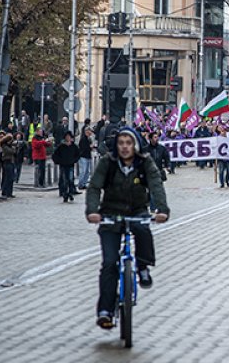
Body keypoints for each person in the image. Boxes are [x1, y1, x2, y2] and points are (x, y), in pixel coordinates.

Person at [85, 127, 169, 329]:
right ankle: (105, 310)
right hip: (111, 214)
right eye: (121, 143)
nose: (124, 147)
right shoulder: (108, 162)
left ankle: (142, 267)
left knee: (143, 229)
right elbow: (95, 187)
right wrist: (92, 211)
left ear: (136, 145)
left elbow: (156, 184)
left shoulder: (144, 162)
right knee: (110, 264)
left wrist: (162, 210)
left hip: (137, 210)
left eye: (128, 143)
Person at [52, 131, 81, 202]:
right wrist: (58, 161)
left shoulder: (74, 146)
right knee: (64, 180)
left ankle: (70, 193)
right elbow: (55, 155)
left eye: (69, 137)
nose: (68, 138)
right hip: (63, 165)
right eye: (67, 137)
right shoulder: (61, 146)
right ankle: (65, 194)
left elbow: (78, 154)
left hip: (70, 165)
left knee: (71, 180)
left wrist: (74, 160)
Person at [0, 133, 16, 198]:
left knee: (11, 178)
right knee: (7, 178)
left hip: (11, 162)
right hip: (7, 162)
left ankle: (9, 192)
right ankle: (5, 192)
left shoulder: (8, 146)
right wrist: (13, 147)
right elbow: (11, 151)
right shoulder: (4, 146)